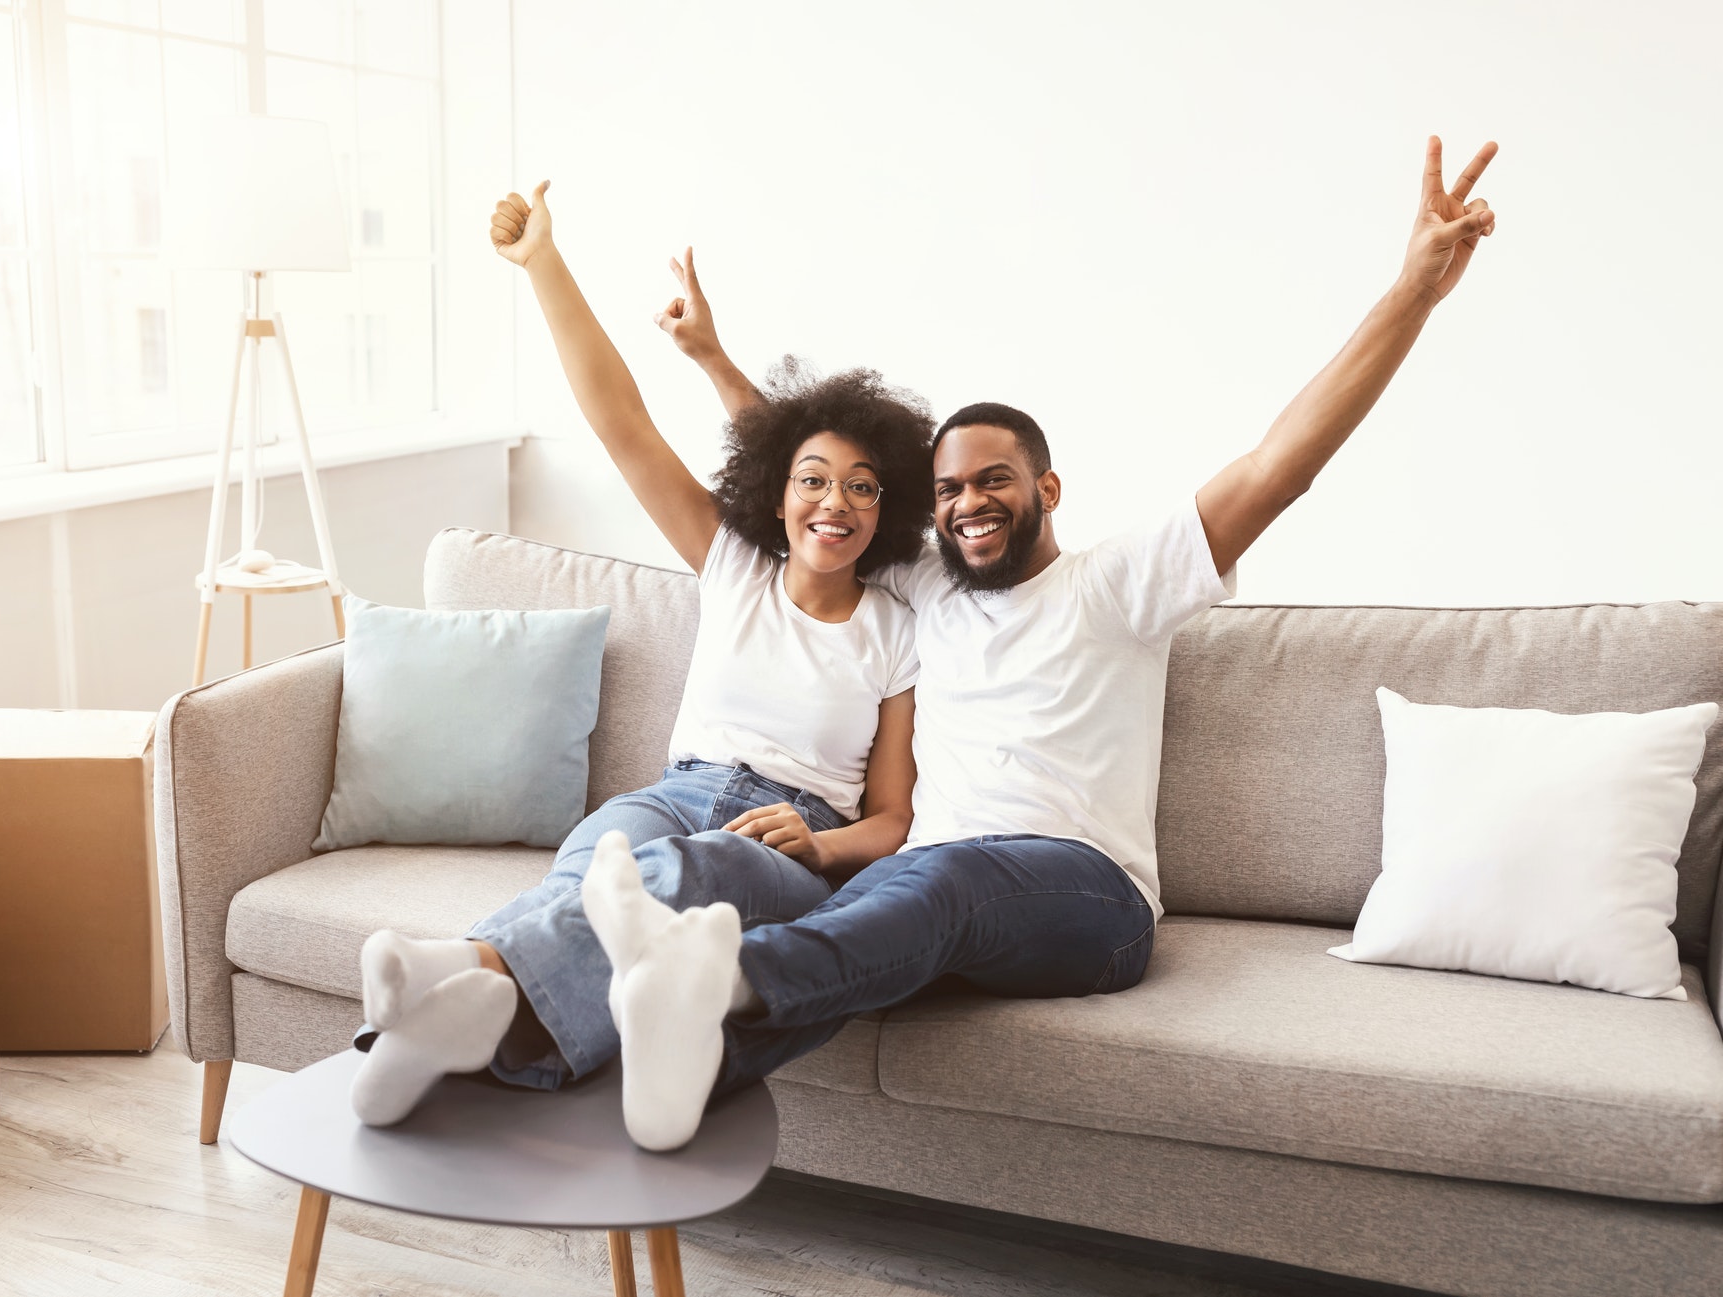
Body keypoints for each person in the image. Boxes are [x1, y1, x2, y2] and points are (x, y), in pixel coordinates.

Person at [592, 136, 1503, 1109]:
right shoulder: (922, 585)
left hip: (1085, 898)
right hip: (924, 885)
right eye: (948, 488)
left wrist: (1411, 291)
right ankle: (643, 1080)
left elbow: (1279, 464)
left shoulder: (1121, 583)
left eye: (994, 479)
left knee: (929, 887)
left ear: (1045, 487)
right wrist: (713, 362)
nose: (969, 501)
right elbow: (811, 485)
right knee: (882, 909)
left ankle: (706, 975)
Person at [347, 181, 937, 1151]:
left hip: (794, 842)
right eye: (814, 480)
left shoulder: (898, 630)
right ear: (775, 494)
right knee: (599, 863)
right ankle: (454, 1011)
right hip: (675, 791)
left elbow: (894, 821)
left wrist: (818, 844)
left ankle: (449, 989)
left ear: (887, 510)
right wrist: (543, 263)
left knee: (688, 871)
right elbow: (620, 421)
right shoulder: (735, 566)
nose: (836, 502)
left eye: (862, 488)